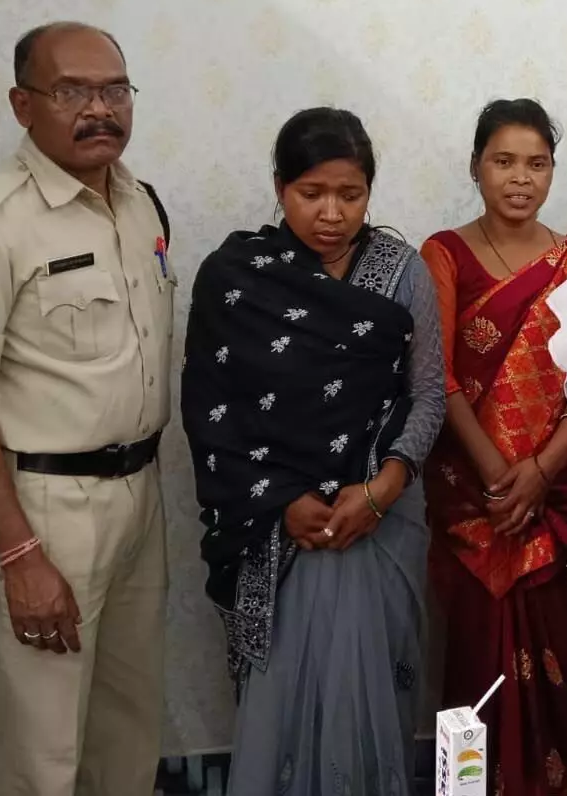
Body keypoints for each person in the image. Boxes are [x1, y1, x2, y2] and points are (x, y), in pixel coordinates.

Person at [0, 22, 171, 794]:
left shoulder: (139, 203)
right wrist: (20, 554)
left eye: (114, 89)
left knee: (127, 731)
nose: (100, 109)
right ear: (22, 105)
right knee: (41, 749)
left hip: (140, 497)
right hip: (44, 510)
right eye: (71, 92)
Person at [181, 107, 444, 795]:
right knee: (284, 705)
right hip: (275, 526)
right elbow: (212, 413)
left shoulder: (401, 271)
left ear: (369, 192)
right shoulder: (237, 278)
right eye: (312, 193)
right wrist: (283, 501)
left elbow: (427, 397)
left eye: (350, 194)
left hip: (383, 518)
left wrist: (383, 489)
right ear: (280, 187)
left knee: (374, 692)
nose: (332, 213)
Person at [421, 98, 567, 796]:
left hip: (552, 498)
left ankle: (566, 782)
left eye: (537, 163)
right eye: (504, 161)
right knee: (476, 652)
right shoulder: (444, 253)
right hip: (474, 497)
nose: (520, 178)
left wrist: (541, 470)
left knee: (564, 653)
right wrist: (500, 474)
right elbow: (436, 374)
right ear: (476, 167)